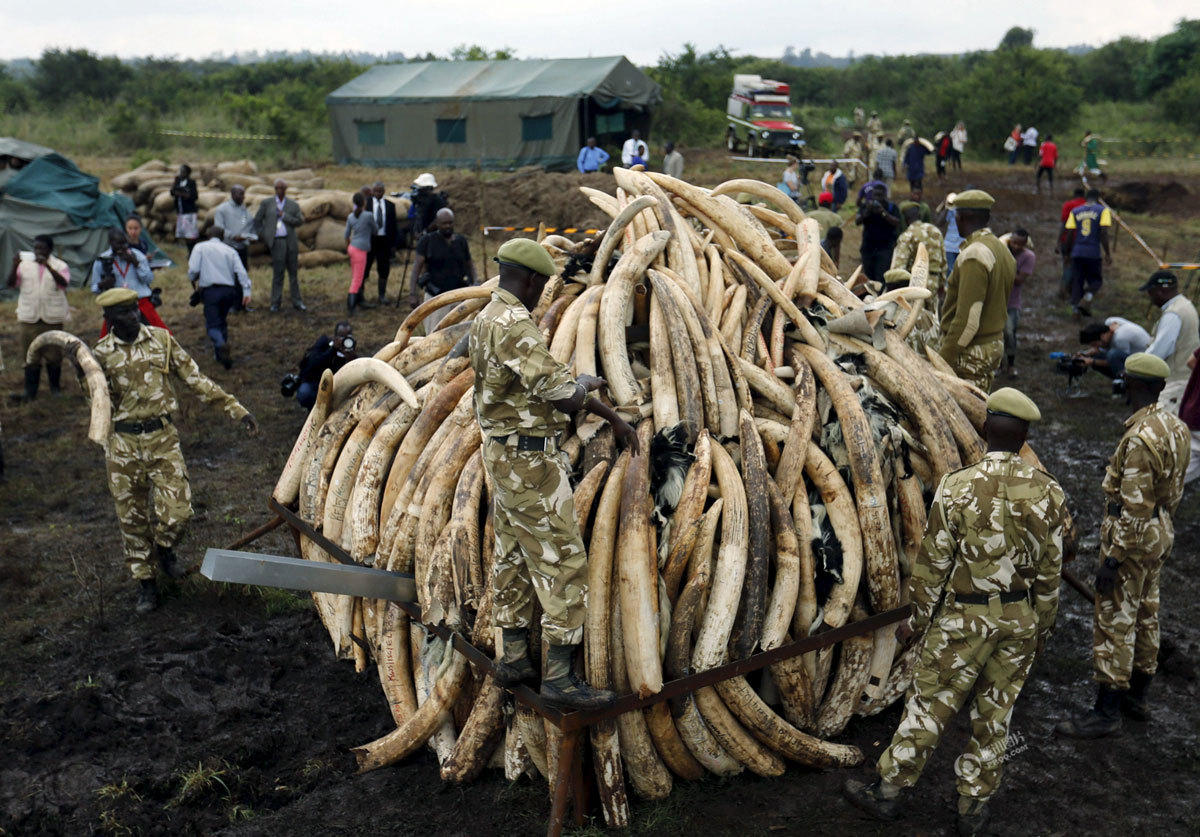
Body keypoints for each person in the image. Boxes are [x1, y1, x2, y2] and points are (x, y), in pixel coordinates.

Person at [843, 387, 1069, 836]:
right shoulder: (1048, 492)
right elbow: (1050, 572)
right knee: (995, 717)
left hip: (962, 622)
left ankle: (888, 794)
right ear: (1024, 437)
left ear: (985, 429)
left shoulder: (958, 487)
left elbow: (933, 566)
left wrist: (918, 621)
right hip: (1018, 620)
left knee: (929, 706)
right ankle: (973, 810)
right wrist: (1040, 628)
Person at [469, 238, 638, 710]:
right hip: (528, 464)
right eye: (541, 284)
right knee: (563, 558)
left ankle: (516, 658)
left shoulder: (486, 318)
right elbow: (558, 392)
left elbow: (526, 383)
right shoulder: (515, 323)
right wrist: (612, 416)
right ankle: (561, 677)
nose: (543, 293)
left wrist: (574, 385)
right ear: (529, 278)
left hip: (501, 457)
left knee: (513, 555)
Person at [91, 288, 257, 614]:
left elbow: (196, 379)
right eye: (124, 312)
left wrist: (236, 409)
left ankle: (165, 549)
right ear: (109, 319)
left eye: (135, 309)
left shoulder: (161, 341)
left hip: (162, 438)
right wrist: (85, 373)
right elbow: (97, 404)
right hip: (122, 446)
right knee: (132, 519)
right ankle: (146, 585)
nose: (134, 316)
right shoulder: (99, 355)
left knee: (179, 512)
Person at [1055, 353, 1188, 739]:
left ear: (1131, 384)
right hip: (1160, 531)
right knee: (1147, 612)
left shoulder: (1140, 439)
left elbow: (1134, 507)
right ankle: (1137, 697)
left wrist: (1112, 559)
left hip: (1132, 537)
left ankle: (1106, 710)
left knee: (1116, 619)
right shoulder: (1174, 427)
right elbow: (1170, 493)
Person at [938, 190, 1015, 392]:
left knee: (963, 416)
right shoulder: (1001, 249)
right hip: (992, 344)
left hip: (970, 351)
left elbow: (968, 321)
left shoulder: (974, 255)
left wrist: (942, 359)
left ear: (962, 217)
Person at [8, 235, 70, 402]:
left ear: (50, 250)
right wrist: (14, 266)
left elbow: (64, 283)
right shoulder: (24, 265)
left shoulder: (60, 265)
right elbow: (11, 284)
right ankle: (30, 393)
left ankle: (55, 390)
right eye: (36, 248)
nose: (38, 252)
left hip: (52, 317)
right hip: (29, 317)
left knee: (54, 355)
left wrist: (48, 267)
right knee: (30, 356)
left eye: (42, 249)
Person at [187, 226, 252, 369]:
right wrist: (247, 291)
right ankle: (220, 356)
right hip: (229, 291)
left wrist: (192, 278)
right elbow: (241, 272)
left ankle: (220, 344)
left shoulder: (200, 247)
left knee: (212, 324)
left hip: (211, 292)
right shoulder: (231, 251)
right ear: (222, 237)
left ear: (208, 235)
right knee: (222, 320)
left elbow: (193, 270)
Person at [410, 208, 476, 334]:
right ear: (437, 223)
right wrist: (413, 294)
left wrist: (475, 282)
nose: (448, 226)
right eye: (444, 223)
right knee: (435, 335)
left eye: (450, 223)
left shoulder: (460, 241)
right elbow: (416, 268)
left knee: (460, 334)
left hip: (459, 296)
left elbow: (469, 263)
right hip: (436, 299)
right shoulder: (427, 241)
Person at [1142, 270, 1200, 413]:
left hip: (1176, 382)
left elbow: (1159, 351)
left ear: (1161, 291)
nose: (1150, 297)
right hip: (1187, 379)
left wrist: (1136, 366)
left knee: (1166, 427)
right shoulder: (1186, 305)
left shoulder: (1173, 314)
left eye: (1151, 292)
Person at [91, 229, 168, 334]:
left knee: (161, 334)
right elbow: (94, 288)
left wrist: (135, 263)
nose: (123, 247)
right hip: (117, 307)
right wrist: (103, 284)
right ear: (110, 243)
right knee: (109, 339)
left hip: (140, 303)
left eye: (124, 243)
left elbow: (149, 279)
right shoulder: (102, 260)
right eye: (119, 244)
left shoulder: (137, 255)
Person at [254, 179, 306, 313]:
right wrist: (265, 235)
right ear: (274, 189)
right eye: (277, 188)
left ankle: (297, 301)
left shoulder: (293, 205)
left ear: (286, 189)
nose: (279, 190)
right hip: (277, 242)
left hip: (290, 241)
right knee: (278, 273)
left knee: (293, 273)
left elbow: (299, 221)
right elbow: (257, 221)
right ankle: (275, 302)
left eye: (282, 188)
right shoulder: (267, 203)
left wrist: (285, 216)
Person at [1063, 189, 1112, 317]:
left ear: (1086, 198)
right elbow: (1104, 232)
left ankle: (1075, 310)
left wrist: (1067, 253)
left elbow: (1069, 234)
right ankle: (1087, 297)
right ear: (1098, 198)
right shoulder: (1103, 210)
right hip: (1093, 252)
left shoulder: (1075, 211)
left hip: (1077, 251)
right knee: (1096, 281)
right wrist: (1107, 253)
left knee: (1077, 280)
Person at [288, 322, 359, 409]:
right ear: (335, 337)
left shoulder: (350, 350)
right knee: (305, 393)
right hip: (316, 382)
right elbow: (313, 363)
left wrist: (351, 358)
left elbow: (354, 374)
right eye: (341, 336)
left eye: (348, 337)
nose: (344, 340)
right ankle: (314, 409)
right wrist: (333, 350)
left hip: (336, 386)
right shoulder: (325, 343)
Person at [891, 205, 946, 299]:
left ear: (905, 219)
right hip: (934, 283)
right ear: (920, 215)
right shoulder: (935, 231)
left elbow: (899, 269)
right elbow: (943, 261)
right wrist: (941, 284)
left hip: (915, 285)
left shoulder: (907, 235)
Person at [1001, 230, 1035, 379]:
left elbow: (1019, 280)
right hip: (996, 300)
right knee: (994, 334)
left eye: (1018, 244)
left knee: (1009, 333)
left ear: (1025, 244)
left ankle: (1011, 364)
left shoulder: (1028, 257)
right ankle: (998, 364)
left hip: (1012, 303)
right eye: (1012, 242)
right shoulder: (1002, 250)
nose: (1014, 246)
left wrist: (1005, 266)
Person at [854, 184, 900, 285]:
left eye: (880, 195)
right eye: (875, 195)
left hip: (885, 247)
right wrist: (867, 212)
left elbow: (897, 222)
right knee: (868, 276)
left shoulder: (891, 207)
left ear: (885, 195)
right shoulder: (866, 206)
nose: (877, 198)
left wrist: (883, 213)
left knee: (881, 276)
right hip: (868, 247)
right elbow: (857, 221)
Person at [1078, 318, 1151, 380]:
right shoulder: (1109, 323)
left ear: (1103, 336)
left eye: (1095, 344)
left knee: (1112, 355)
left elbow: (1117, 361)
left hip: (1145, 362)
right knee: (1096, 356)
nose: (1095, 347)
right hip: (1132, 355)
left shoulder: (1120, 338)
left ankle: (1126, 384)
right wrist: (1085, 354)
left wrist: (1091, 361)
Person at [363, 182, 400, 305]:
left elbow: (393, 226)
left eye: (380, 191)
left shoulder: (390, 205)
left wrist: (394, 244)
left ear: (384, 191)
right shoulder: (366, 204)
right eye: (375, 191)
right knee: (365, 267)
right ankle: (360, 295)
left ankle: (382, 295)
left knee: (384, 268)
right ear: (372, 191)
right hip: (370, 240)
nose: (378, 193)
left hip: (384, 240)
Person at [344, 192, 379, 315]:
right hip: (361, 250)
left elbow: (346, 235)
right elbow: (375, 230)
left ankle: (358, 301)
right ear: (364, 203)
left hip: (352, 248)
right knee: (357, 280)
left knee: (355, 276)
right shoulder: (368, 215)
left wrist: (349, 246)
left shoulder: (350, 217)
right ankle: (351, 308)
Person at [212, 185, 256, 270]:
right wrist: (233, 236)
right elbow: (218, 228)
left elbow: (250, 225)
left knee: (241, 274)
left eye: (243, 194)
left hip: (242, 249)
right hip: (227, 247)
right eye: (240, 194)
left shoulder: (245, 211)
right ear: (232, 194)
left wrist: (252, 236)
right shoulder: (222, 209)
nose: (243, 197)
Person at [1056, 188, 1087, 299]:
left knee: (1067, 265)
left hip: (1068, 241)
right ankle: (1074, 290)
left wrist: (1058, 241)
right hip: (1084, 242)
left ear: (1074, 195)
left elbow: (1064, 224)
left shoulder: (1068, 205)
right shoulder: (1088, 207)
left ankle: (1064, 290)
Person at [170, 164, 199, 256]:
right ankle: (189, 251)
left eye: (183, 172)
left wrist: (185, 195)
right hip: (181, 211)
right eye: (181, 171)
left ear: (188, 173)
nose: (181, 173)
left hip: (189, 211)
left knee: (191, 235)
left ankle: (192, 252)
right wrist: (175, 190)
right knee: (184, 234)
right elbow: (171, 192)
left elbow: (195, 196)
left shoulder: (191, 182)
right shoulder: (177, 181)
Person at [410, 173, 449, 238]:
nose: (420, 190)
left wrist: (425, 231)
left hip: (434, 235)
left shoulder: (438, 201)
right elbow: (417, 217)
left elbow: (438, 220)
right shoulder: (420, 200)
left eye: (422, 188)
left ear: (429, 188)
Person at [937, 198, 963, 277]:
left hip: (962, 246)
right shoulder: (952, 209)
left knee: (960, 273)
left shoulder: (966, 211)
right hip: (949, 247)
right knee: (949, 274)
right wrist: (946, 207)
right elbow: (939, 223)